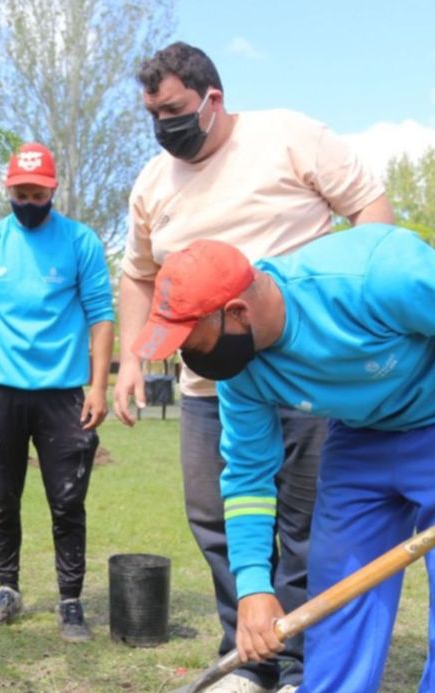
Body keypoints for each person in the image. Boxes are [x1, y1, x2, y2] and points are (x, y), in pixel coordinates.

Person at [134, 225, 435, 692]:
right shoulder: (241, 374)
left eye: (191, 342)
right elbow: (249, 477)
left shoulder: (374, 274)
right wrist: (252, 587)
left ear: (237, 312)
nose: (187, 358)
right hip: (362, 434)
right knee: (337, 601)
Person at [112, 41, 393, 693]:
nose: (165, 127)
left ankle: (301, 665)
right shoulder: (153, 183)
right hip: (208, 385)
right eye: (153, 115)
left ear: (214, 99)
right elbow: (138, 276)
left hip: (302, 375)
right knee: (218, 517)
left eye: (176, 110)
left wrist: (364, 312)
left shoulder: (290, 138)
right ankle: (249, 658)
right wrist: (131, 358)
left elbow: (372, 211)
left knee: (303, 520)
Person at [0, 142, 114, 642]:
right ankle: (7, 588)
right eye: (21, 192)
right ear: (8, 189)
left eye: (38, 194)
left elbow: (102, 315)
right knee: (2, 498)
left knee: (67, 502)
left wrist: (99, 386)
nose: (29, 201)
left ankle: (70, 600)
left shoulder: (81, 242)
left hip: (63, 394)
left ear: (53, 191)